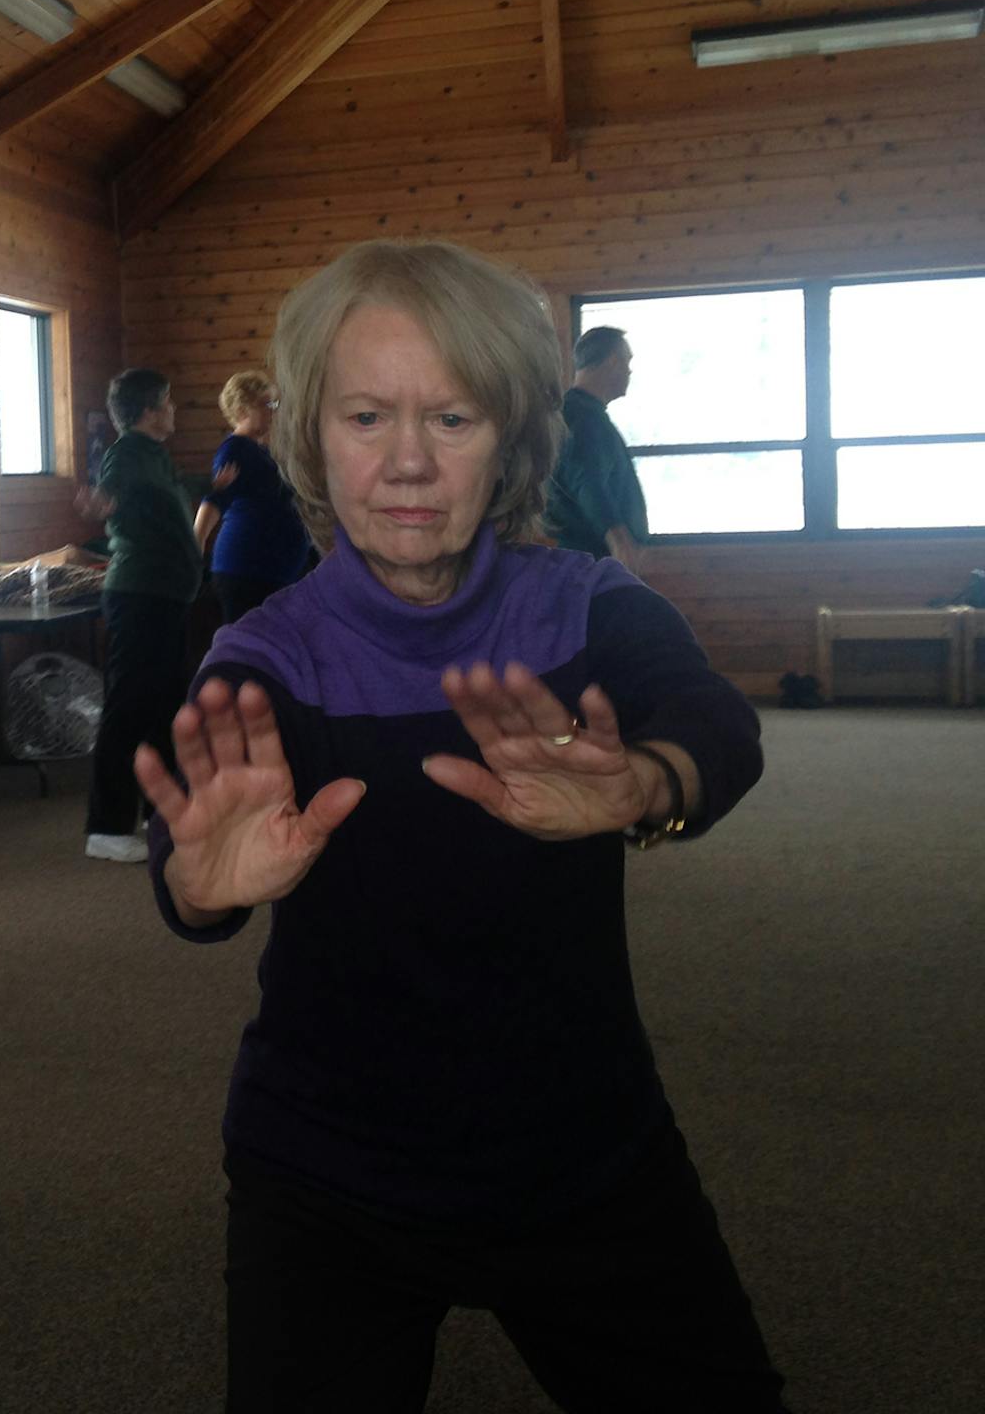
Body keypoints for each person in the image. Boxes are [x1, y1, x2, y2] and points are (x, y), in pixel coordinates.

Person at [135, 241, 787, 1412]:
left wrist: (646, 782)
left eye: (454, 418)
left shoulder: (584, 602)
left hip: (586, 1148)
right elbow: (187, 878)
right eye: (368, 416)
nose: (407, 465)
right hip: (328, 1170)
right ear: (313, 440)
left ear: (515, 442)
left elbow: (715, 723)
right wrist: (197, 888)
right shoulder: (263, 654)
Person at [77, 367, 202, 864]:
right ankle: (105, 828)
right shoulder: (127, 453)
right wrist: (103, 501)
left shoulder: (154, 455)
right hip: (140, 595)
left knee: (165, 705)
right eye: (168, 403)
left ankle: (160, 811)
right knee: (129, 706)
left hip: (165, 596)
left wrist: (216, 480)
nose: (173, 411)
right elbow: (115, 488)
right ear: (150, 410)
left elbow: (167, 488)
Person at [193, 371, 310, 627]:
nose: (274, 411)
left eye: (274, 404)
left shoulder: (261, 450)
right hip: (246, 571)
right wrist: (196, 548)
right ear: (243, 407)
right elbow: (214, 500)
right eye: (267, 404)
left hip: (271, 573)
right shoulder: (235, 449)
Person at [544, 324, 648, 568]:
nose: (629, 371)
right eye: (627, 361)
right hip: (592, 558)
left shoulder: (583, 413)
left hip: (593, 556)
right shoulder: (582, 417)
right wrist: (618, 539)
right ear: (613, 361)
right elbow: (586, 480)